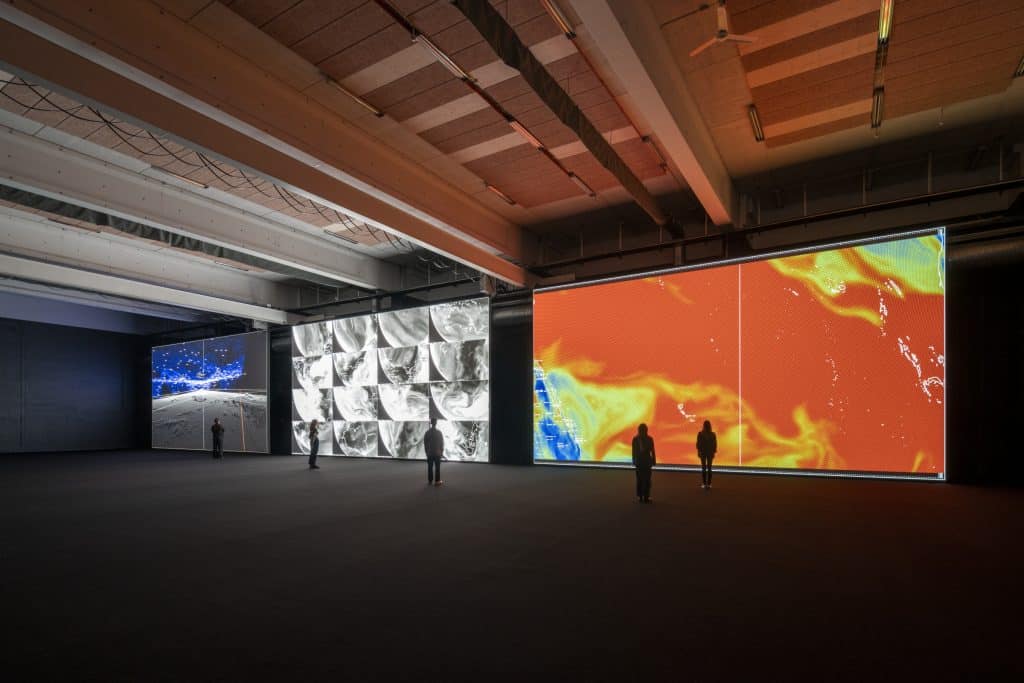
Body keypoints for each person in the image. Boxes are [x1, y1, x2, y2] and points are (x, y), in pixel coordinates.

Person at [631, 423, 655, 503]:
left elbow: (633, 452)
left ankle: (640, 496)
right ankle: (646, 497)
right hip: (647, 462)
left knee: (640, 479)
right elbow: (652, 451)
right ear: (646, 430)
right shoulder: (650, 439)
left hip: (639, 462)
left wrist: (634, 461)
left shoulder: (635, 439)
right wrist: (654, 460)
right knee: (647, 480)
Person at [696, 420, 717, 489]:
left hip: (703, 453)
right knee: (709, 468)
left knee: (704, 468)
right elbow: (715, 444)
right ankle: (709, 484)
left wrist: (699, 452)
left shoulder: (700, 434)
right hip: (710, 453)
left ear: (703, 426)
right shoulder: (713, 434)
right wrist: (714, 452)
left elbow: (698, 444)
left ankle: (704, 484)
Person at [423, 418, 443, 486]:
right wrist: (441, 452)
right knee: (437, 468)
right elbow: (441, 444)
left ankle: (430, 480)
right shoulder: (439, 432)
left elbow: (425, 443)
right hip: (437, 453)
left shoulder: (427, 432)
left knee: (430, 467)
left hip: (430, 453)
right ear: (436, 423)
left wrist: (426, 452)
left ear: (431, 423)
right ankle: (437, 481)